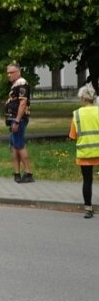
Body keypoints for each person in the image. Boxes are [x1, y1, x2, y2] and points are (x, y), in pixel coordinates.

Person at [69, 85, 99, 219]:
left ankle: (88, 209)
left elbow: (73, 136)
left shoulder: (77, 114)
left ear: (82, 98)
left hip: (85, 153)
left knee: (87, 181)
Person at [4, 63, 34, 183]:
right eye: (8, 73)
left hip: (18, 119)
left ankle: (28, 173)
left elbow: (23, 103)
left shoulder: (22, 83)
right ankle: (17, 173)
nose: (9, 75)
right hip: (12, 119)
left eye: (11, 72)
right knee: (14, 146)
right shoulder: (15, 84)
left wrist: (17, 120)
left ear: (18, 72)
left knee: (19, 145)